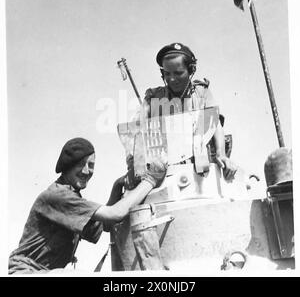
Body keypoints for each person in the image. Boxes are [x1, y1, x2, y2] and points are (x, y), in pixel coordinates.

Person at [8, 137, 167, 274]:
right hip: (26, 271)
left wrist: (117, 186)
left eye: (91, 165)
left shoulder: (70, 196)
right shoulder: (58, 196)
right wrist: (151, 180)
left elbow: (104, 224)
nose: (86, 171)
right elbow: (115, 214)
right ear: (67, 165)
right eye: (80, 164)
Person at [140, 42, 237, 181]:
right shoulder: (153, 98)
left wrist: (221, 154)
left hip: (201, 172)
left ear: (191, 70)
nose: (172, 79)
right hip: (164, 174)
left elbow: (214, 124)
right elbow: (138, 131)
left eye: (178, 73)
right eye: (167, 74)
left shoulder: (201, 93)